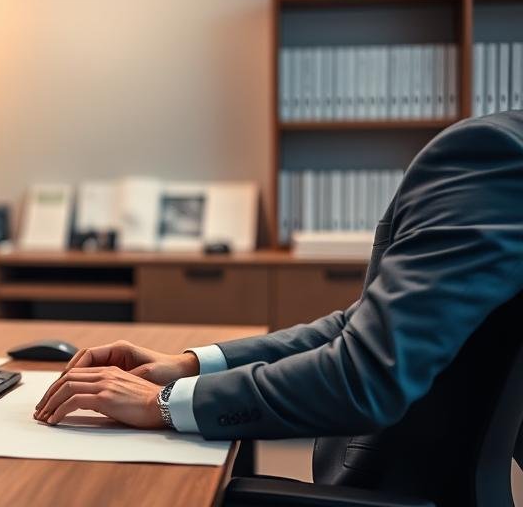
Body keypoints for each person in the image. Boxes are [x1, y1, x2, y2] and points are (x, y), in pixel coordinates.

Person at [34, 111, 523, 495]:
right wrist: (189, 367)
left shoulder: (491, 153)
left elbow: (365, 375)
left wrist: (161, 403)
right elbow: (361, 325)